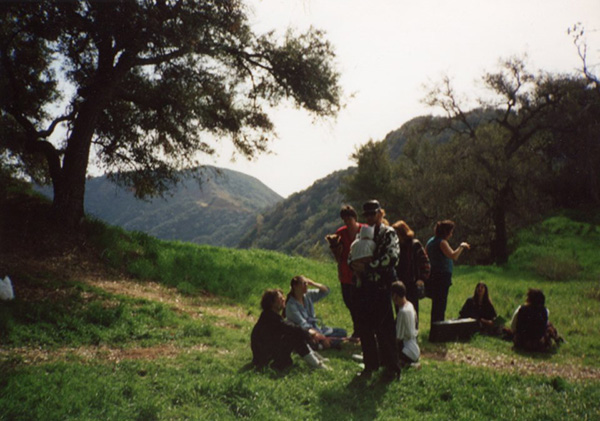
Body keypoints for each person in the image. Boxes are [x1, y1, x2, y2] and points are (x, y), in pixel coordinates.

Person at [350, 200, 402, 381]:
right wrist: (354, 265)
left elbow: (392, 257)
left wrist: (368, 267)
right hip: (364, 288)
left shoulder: (389, 233)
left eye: (373, 214)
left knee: (385, 330)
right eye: (367, 215)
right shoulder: (362, 234)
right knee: (364, 330)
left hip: (382, 288)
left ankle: (392, 369)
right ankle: (370, 366)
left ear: (381, 214)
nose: (370, 218)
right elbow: (352, 254)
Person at [251, 289, 329, 370]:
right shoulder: (270, 318)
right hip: (266, 360)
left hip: (266, 355)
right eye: (280, 299)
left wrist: (308, 333)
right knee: (295, 336)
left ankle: (316, 359)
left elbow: (290, 326)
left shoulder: (269, 315)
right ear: (272, 303)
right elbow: (290, 328)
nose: (284, 299)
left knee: (296, 333)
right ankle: (317, 365)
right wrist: (310, 334)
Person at [426, 220, 470, 336]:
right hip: (441, 277)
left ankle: (435, 330)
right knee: (440, 305)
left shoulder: (430, 241)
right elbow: (453, 256)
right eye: (450, 232)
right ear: (446, 232)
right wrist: (461, 246)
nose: (451, 234)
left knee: (437, 305)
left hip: (434, 276)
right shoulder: (442, 242)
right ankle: (438, 332)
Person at [285, 275, 348, 349]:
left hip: (316, 329)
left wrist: (313, 283)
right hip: (305, 332)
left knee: (342, 332)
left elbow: (326, 291)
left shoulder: (307, 295)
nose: (306, 286)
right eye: (303, 284)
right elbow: (303, 325)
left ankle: (323, 344)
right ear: (295, 286)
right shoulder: (291, 305)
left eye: (306, 283)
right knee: (306, 340)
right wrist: (320, 336)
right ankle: (322, 345)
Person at [329, 205, 363, 338]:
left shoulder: (364, 230)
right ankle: (358, 328)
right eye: (344, 219)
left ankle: (361, 329)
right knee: (349, 301)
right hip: (345, 271)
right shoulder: (340, 233)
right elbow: (337, 254)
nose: (347, 221)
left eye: (349, 218)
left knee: (360, 302)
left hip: (360, 272)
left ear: (354, 217)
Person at [392, 220, 430, 324]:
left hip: (412, 283)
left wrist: (422, 278)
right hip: (399, 282)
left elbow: (425, 262)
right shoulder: (395, 246)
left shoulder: (415, 244)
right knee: (399, 310)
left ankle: (413, 333)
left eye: (397, 233)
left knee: (412, 310)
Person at [391, 281, 420, 367]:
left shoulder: (402, 312)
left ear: (395, 296)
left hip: (407, 351)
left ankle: (406, 363)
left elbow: (398, 338)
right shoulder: (410, 305)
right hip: (415, 349)